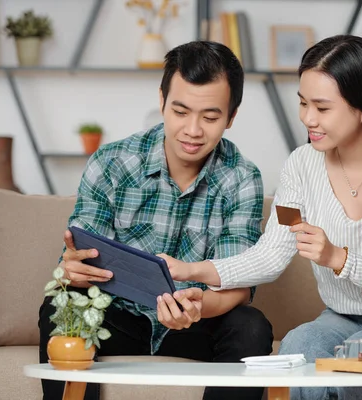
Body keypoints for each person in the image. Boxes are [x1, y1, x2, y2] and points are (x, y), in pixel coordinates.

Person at [161, 35, 362, 400]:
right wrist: (191, 270)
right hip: (343, 320)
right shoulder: (301, 165)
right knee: (298, 350)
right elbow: (272, 253)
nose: (308, 118)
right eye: (303, 103)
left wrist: (338, 258)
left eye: (322, 108)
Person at [38, 41, 273, 400]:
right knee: (59, 305)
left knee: (252, 326)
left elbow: (238, 283)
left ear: (231, 117)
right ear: (161, 101)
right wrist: (72, 269)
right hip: (117, 319)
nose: (193, 130)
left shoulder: (242, 178)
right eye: (180, 111)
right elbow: (79, 256)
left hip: (197, 322)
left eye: (210, 118)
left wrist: (197, 308)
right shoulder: (113, 162)